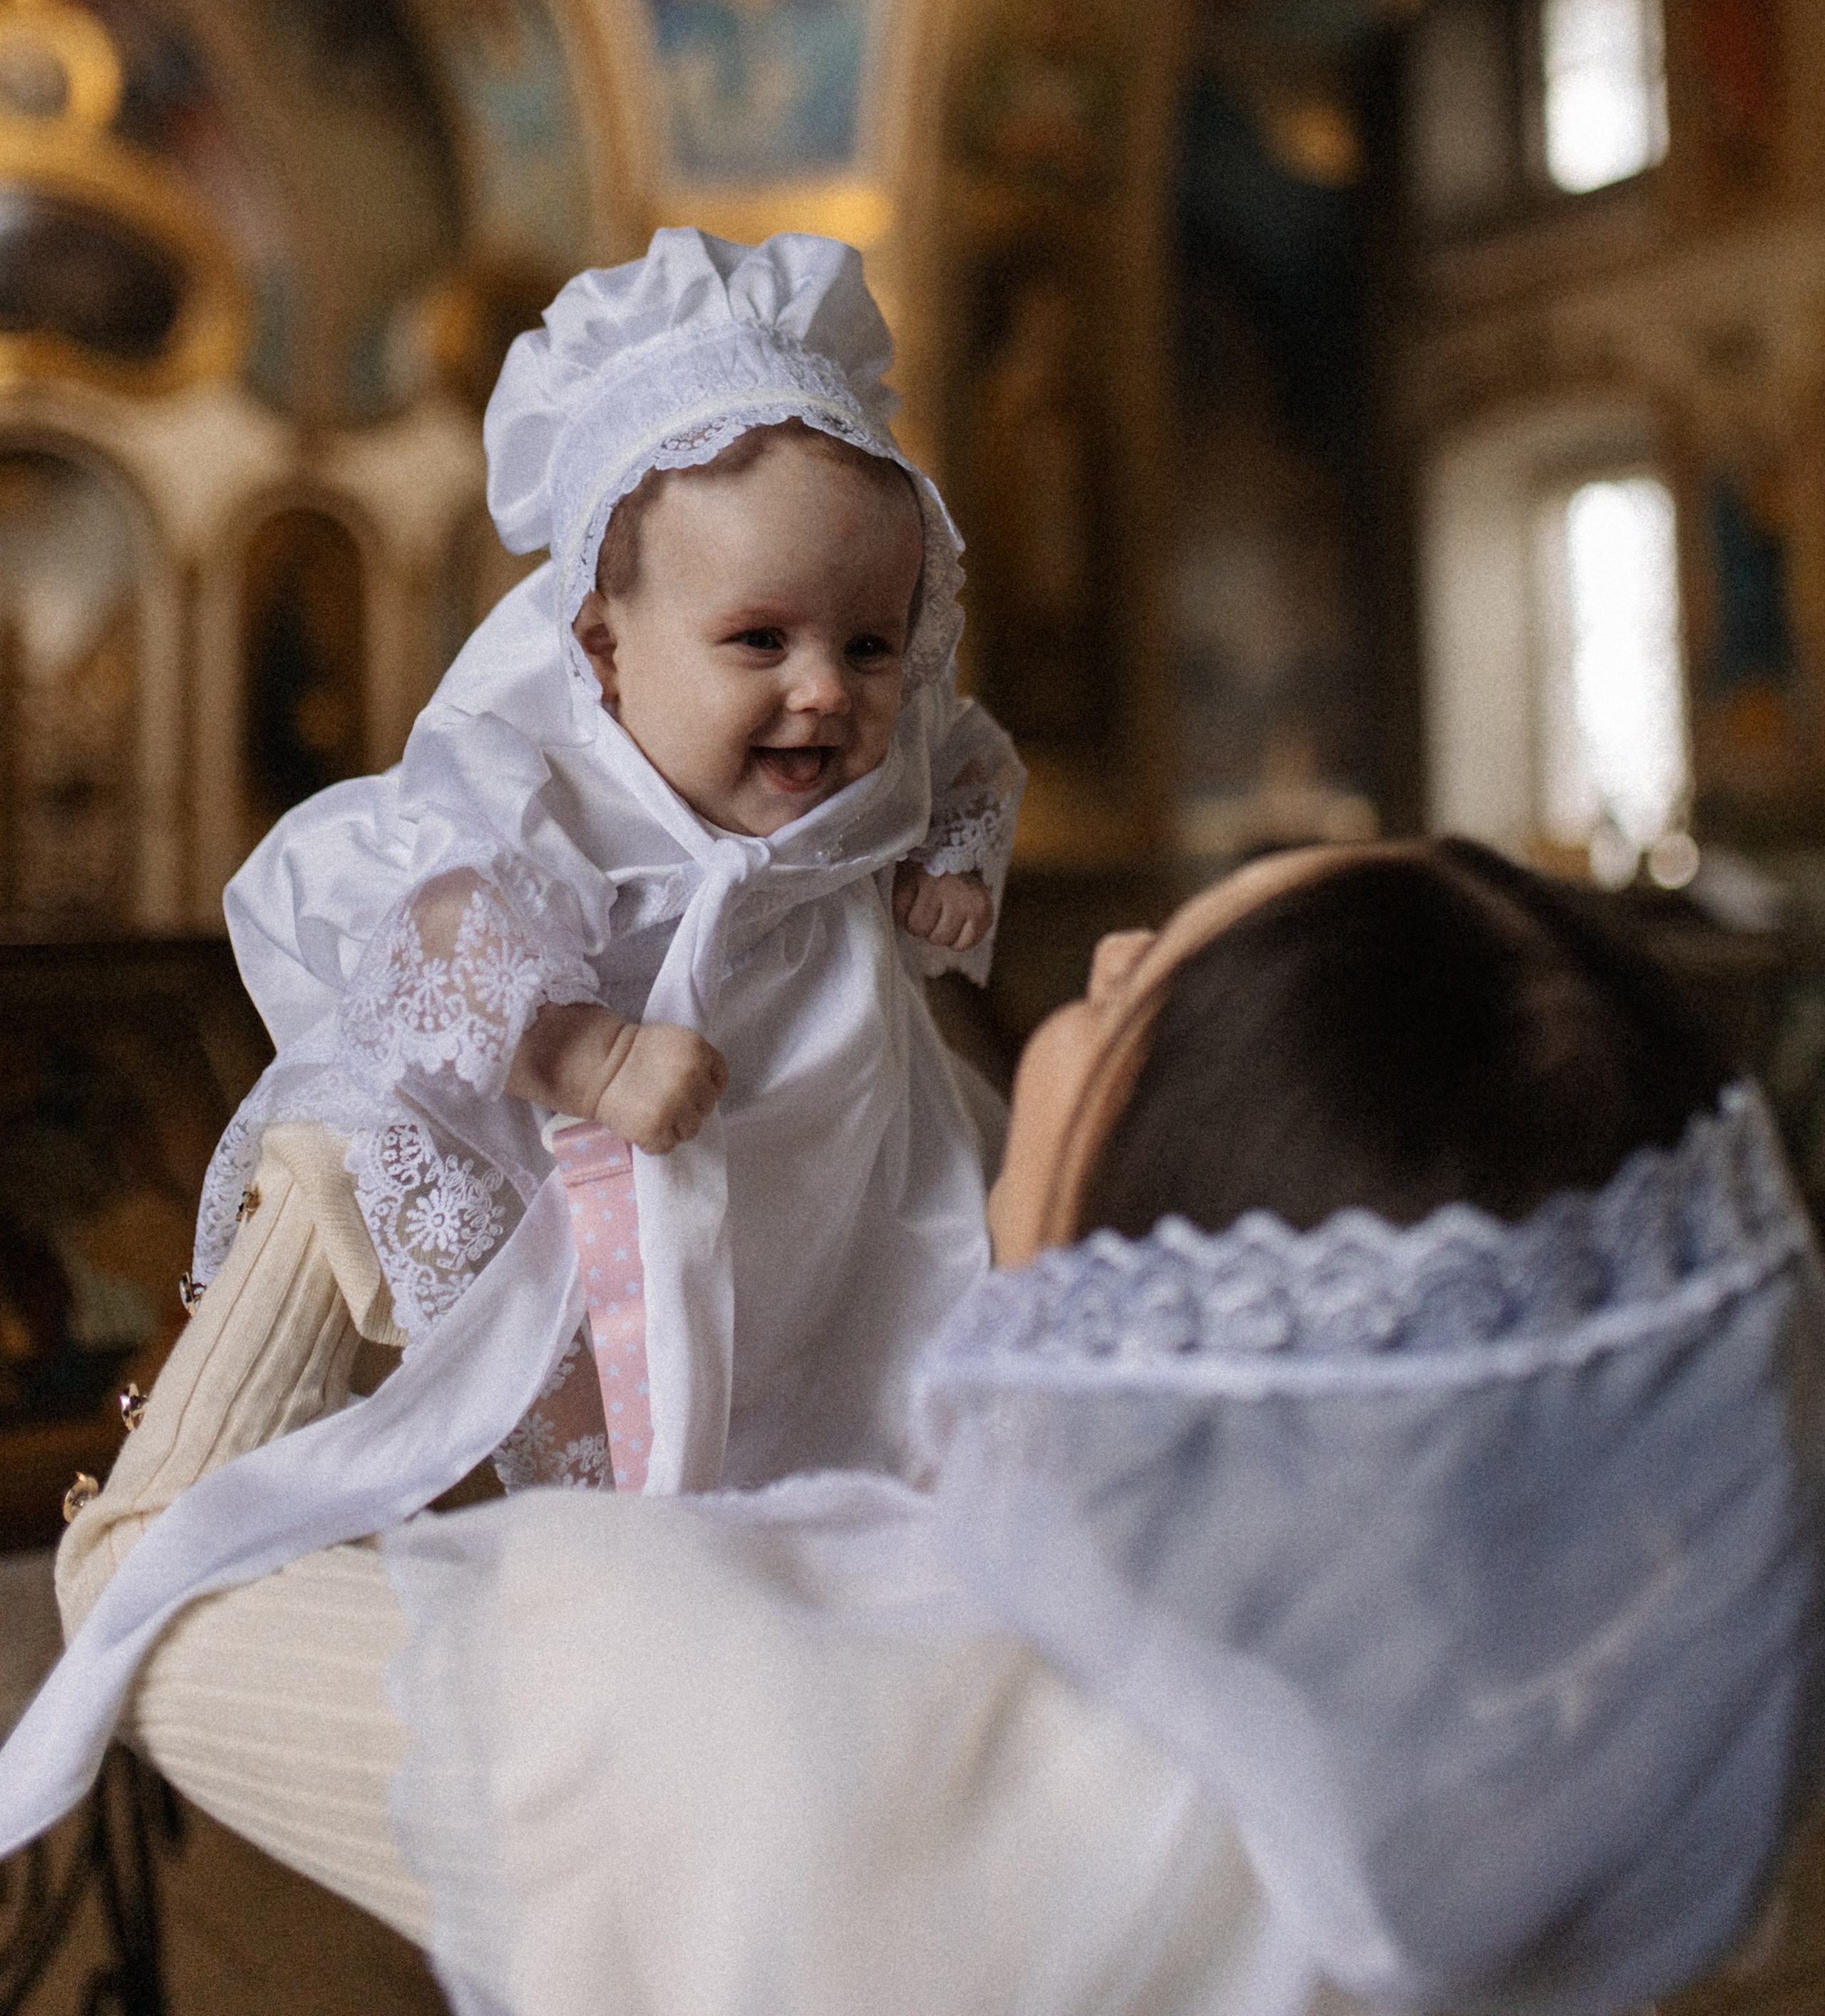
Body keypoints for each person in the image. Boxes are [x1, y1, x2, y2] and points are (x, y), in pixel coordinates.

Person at [24, 840, 1825, 2016]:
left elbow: (148, 1595)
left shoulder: (718, 1702)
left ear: (1169, 1218)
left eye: (1128, 996)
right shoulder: (1530, 1786)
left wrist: (357, 1102)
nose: (1102, 946)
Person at [0, 225, 1022, 1856]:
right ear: (603, 647)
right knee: (631, 1465)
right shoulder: (530, 777)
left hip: (834, 1150)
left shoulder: (885, 751)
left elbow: (964, 760)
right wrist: (582, 1055)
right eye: (760, 643)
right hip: (636, 1156)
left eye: (871, 643)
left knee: (876, 1395)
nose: (827, 695)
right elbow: (431, 940)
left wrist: (953, 862)